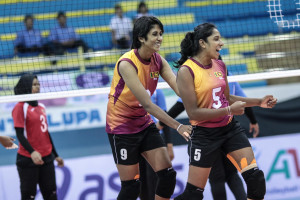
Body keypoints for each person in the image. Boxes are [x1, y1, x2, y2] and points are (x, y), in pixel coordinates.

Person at [173, 23, 277, 200]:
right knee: (193, 195)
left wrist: (259, 102)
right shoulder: (186, 71)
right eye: (216, 39)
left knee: (255, 180)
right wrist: (228, 110)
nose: (221, 43)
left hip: (229, 130)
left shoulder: (220, 65)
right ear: (202, 43)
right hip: (204, 136)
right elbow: (193, 113)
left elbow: (227, 98)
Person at [106, 16, 192, 200]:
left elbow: (181, 91)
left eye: (161, 34)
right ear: (141, 38)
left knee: (168, 175)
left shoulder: (158, 60)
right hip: (121, 127)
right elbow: (148, 104)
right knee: (131, 187)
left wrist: (209, 104)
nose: (159, 38)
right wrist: (178, 126)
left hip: (143, 124)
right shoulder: (126, 63)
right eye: (155, 34)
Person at [158, 70, 259, 200]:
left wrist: (161, 123)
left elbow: (180, 105)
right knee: (232, 174)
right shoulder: (229, 76)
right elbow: (243, 101)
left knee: (217, 178)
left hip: (208, 135)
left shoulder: (198, 78)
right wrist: (253, 121)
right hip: (228, 132)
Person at [12, 74, 64, 200]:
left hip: (47, 158)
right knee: (28, 196)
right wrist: (32, 152)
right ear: (26, 86)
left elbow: (45, 133)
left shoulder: (41, 107)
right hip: (28, 159)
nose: (38, 87)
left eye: (38, 84)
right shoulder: (20, 107)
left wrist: (55, 155)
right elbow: (19, 134)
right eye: (34, 84)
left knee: (51, 195)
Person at [139, 89, 174, 200]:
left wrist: (169, 145)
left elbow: (165, 117)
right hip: (136, 137)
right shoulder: (128, 89)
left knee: (154, 176)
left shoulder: (157, 91)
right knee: (140, 178)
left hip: (154, 137)